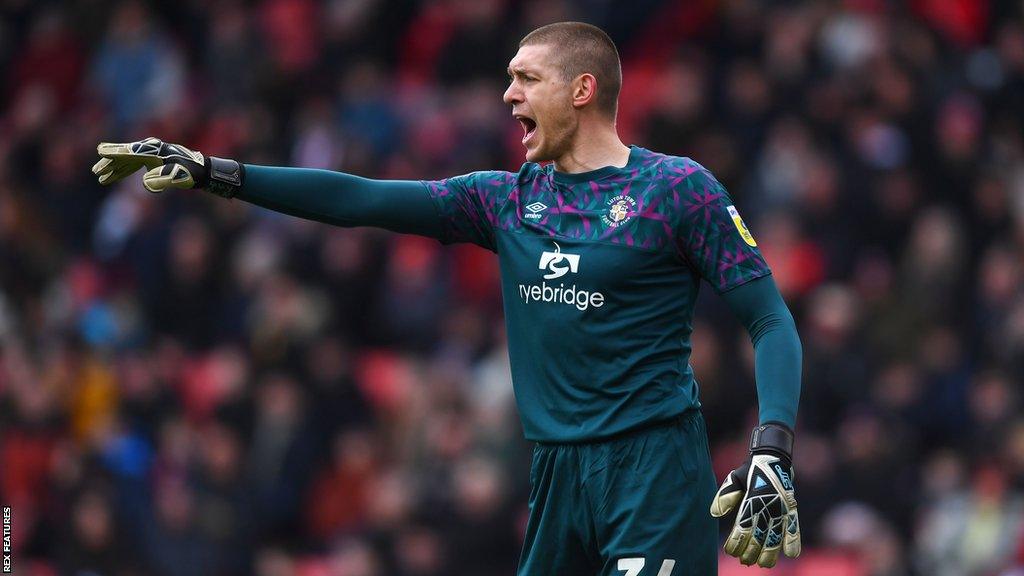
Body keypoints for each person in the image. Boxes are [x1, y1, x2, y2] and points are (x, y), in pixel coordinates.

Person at [92, 21, 801, 576]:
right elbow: (358, 199)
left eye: (526, 79)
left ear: (582, 90)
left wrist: (772, 446)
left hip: (652, 473)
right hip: (556, 475)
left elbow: (768, 318)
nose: (508, 95)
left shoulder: (677, 190)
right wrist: (218, 173)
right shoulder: (502, 201)